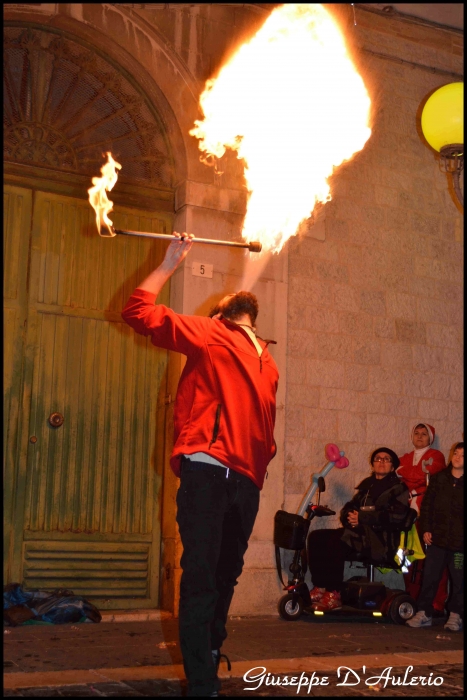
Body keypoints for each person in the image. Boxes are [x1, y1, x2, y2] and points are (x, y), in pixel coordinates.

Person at [121, 233, 279, 697]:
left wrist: (260, 465)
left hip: (245, 484)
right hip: (207, 472)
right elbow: (138, 313)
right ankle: (201, 683)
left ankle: (210, 650)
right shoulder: (211, 333)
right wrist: (170, 261)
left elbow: (265, 424)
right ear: (218, 315)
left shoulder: (267, 359)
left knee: (227, 574)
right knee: (202, 576)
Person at [308, 448, 410, 611]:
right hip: (359, 536)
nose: (381, 462)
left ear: (392, 467)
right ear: (372, 464)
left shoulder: (399, 489)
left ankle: (334, 593)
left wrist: (363, 518)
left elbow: (396, 517)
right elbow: (348, 509)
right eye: (378, 458)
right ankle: (320, 587)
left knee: (337, 540)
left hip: (381, 542)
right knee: (316, 537)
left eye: (386, 459)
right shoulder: (366, 488)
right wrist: (351, 519)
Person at [406, 442, 464, 631]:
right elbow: (428, 507)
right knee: (430, 576)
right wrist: (426, 530)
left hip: (460, 544)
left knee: (459, 579)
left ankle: (456, 615)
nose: (457, 457)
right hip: (437, 540)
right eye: (456, 453)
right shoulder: (439, 479)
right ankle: (424, 613)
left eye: (463, 455)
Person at [396, 423, 447, 611]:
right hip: (406, 514)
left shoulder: (436, 456)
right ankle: (411, 596)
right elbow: (407, 475)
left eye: (424, 434)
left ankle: (436, 602)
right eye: (416, 433)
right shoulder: (406, 457)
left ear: (430, 438)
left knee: (431, 560)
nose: (419, 436)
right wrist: (417, 474)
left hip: (426, 512)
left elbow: (429, 473)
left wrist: (404, 472)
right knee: (406, 557)